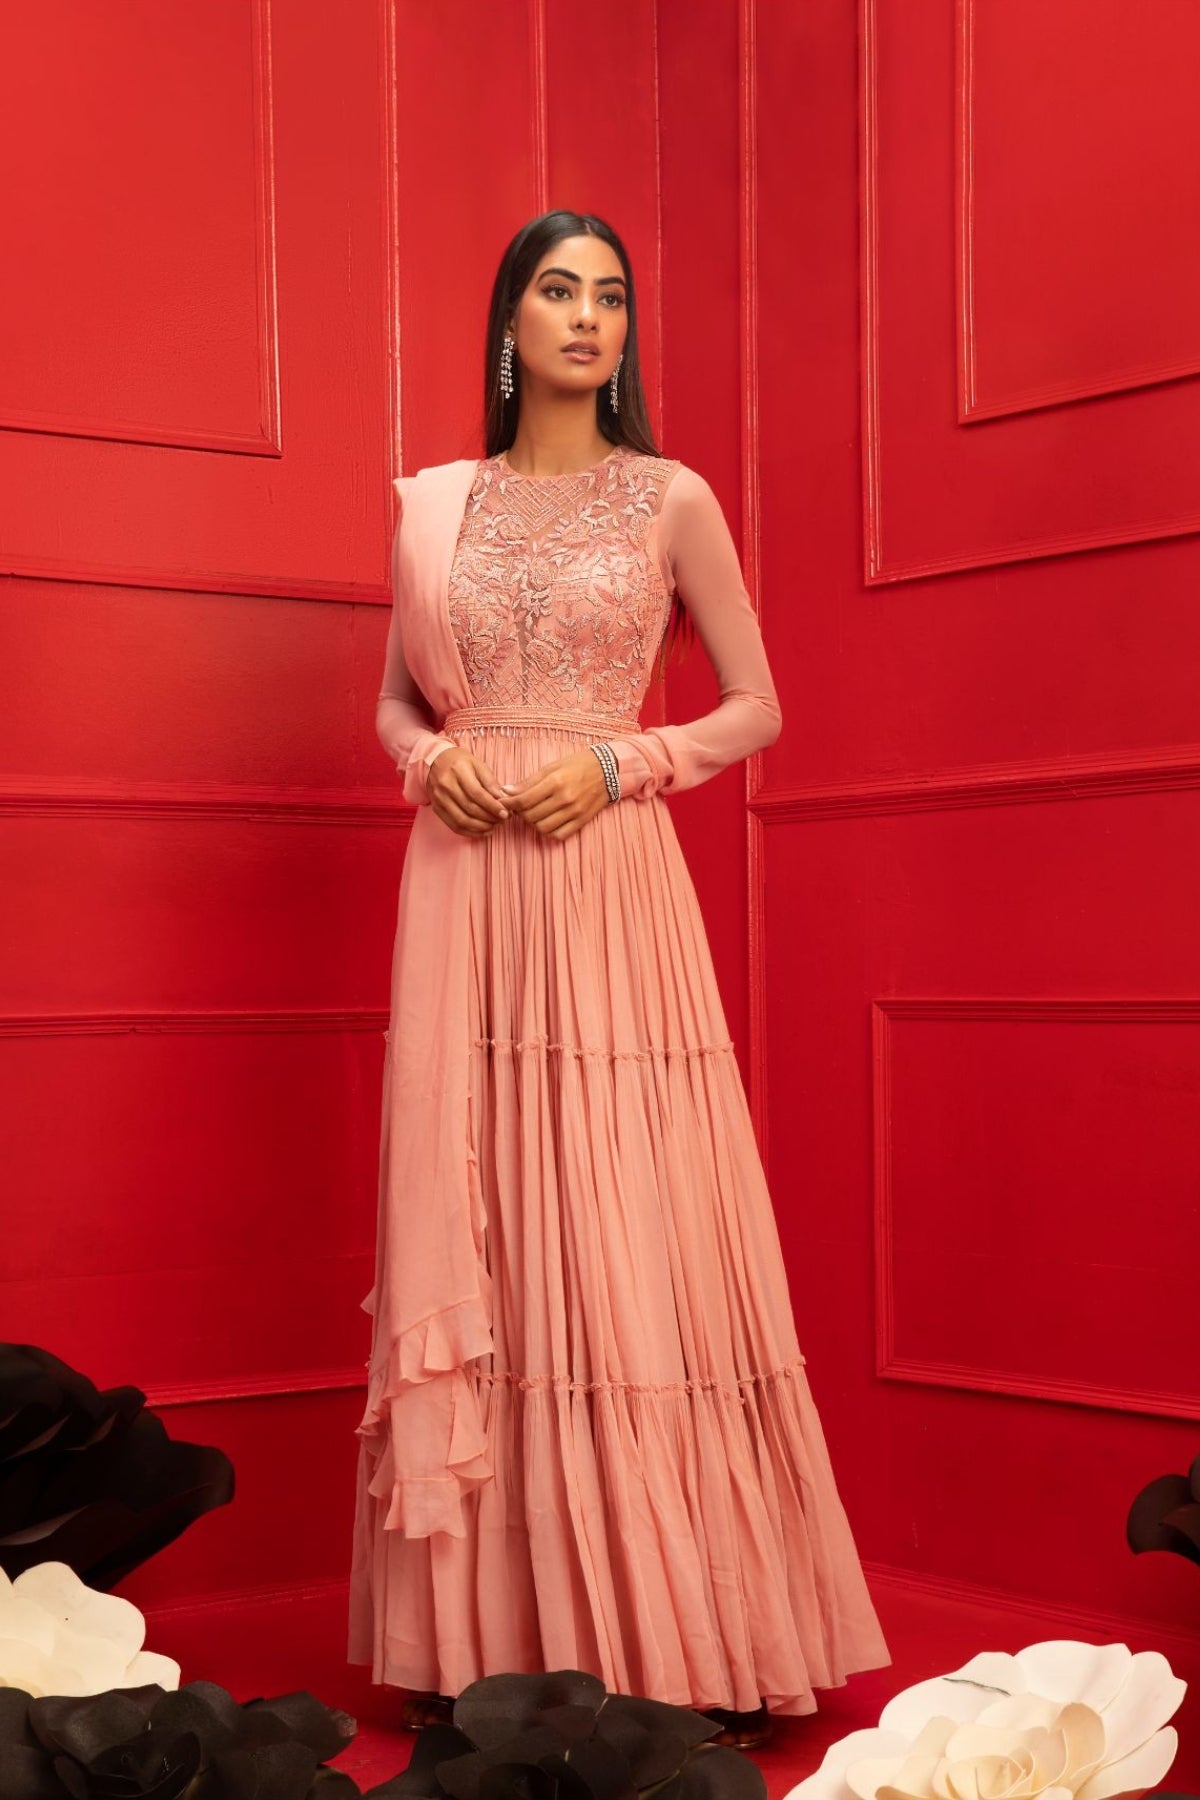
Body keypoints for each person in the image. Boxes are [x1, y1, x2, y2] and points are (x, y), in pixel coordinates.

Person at [347, 210, 891, 1753]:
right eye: (558, 291)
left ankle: (670, 1642)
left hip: (606, 880)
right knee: (483, 1216)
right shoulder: (435, 507)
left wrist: (619, 762)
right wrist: (430, 766)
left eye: (611, 297)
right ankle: (482, 1650)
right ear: (509, 323)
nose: (589, 317)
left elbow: (757, 706)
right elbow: (392, 706)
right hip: (464, 886)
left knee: (618, 1220)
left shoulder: (671, 497)